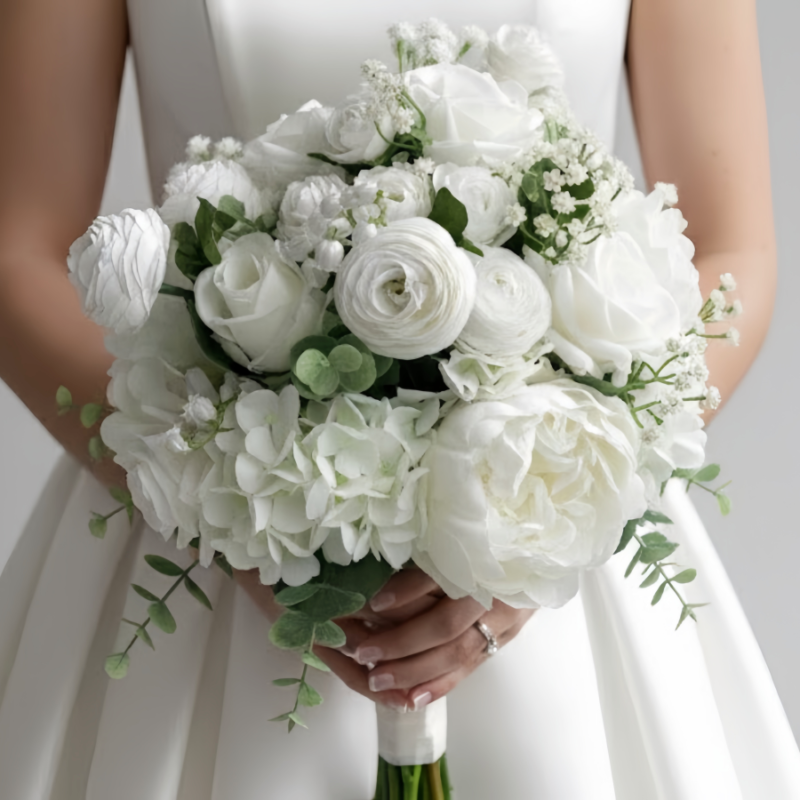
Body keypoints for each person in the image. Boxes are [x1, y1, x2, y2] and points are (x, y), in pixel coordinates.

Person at [0, 1, 797, 798]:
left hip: (551, 515)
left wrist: (544, 533)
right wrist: (229, 511)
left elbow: (734, 250)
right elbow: (19, 252)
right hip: (216, 510)